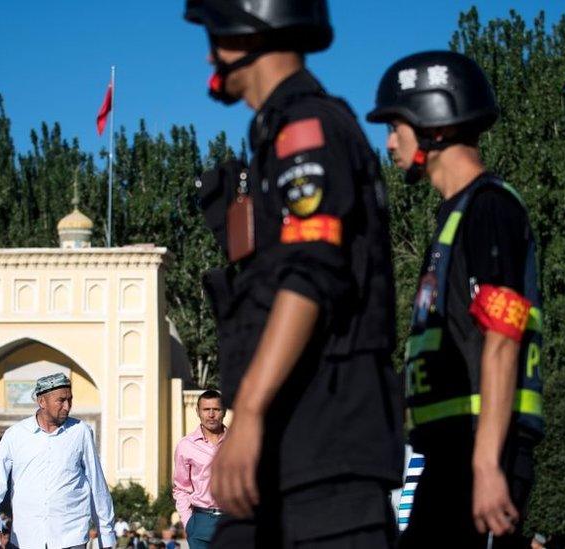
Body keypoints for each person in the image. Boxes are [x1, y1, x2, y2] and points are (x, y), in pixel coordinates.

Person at [186, 0, 403, 546]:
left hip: (329, 449)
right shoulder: (279, 136)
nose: (210, 52)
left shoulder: (307, 127)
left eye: (216, 32)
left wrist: (250, 412)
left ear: (246, 33)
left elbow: (311, 274)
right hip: (290, 446)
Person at [366, 50, 545, 548]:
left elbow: (502, 334)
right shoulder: (454, 218)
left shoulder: (489, 209)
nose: (389, 143)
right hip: (448, 454)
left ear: (434, 125)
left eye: (395, 126)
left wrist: (487, 466)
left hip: (482, 453)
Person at [0, 373, 116, 549]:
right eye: (61, 400)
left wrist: (106, 534)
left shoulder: (80, 432)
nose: (67, 406)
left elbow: (97, 486)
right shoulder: (15, 435)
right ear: (42, 402)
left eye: (70, 400)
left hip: (70, 537)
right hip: (26, 538)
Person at [172, 390, 226, 549]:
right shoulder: (186, 446)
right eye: (206, 409)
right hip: (201, 521)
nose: (211, 414)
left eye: (216, 409)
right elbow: (181, 488)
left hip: (232, 520)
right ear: (197, 412)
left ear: (223, 411)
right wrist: (188, 521)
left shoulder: (237, 442)